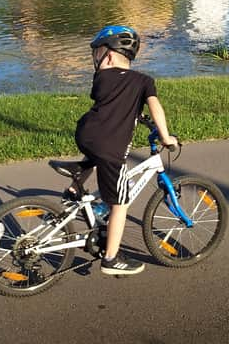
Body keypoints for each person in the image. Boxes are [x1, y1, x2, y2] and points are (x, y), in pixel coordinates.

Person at [69, 25, 178, 275]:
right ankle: (111, 258)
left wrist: (134, 114)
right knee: (120, 202)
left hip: (86, 134)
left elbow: (113, 103)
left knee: (96, 153)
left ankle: (74, 188)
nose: (95, 59)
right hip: (110, 148)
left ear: (107, 56)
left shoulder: (101, 78)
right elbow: (155, 107)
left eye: (96, 53)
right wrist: (165, 136)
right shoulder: (143, 81)